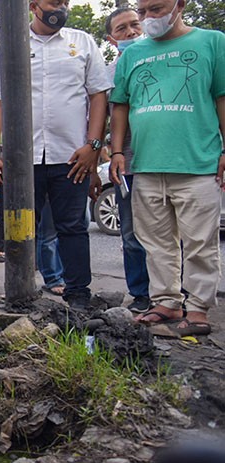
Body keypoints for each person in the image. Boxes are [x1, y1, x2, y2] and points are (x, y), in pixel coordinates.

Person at [0, 0, 112, 310]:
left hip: (72, 157)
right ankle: (20, 293)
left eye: (65, 2)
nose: (61, 7)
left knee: (73, 227)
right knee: (20, 228)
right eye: (55, 2)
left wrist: (94, 147)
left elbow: (98, 96)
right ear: (33, 5)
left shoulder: (82, 42)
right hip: (21, 159)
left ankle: (78, 295)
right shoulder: (11, 45)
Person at [109, 0, 224, 336]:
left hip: (198, 163)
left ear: (180, 4)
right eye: (143, 11)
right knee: (155, 242)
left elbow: (222, 96)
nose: (148, 18)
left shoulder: (212, 42)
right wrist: (117, 151)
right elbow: (120, 105)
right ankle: (166, 302)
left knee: (200, 243)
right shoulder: (132, 54)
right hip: (146, 164)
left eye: (156, 9)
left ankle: (198, 309)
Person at [104, 7, 151, 313]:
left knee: (171, 235)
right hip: (128, 163)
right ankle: (141, 294)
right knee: (132, 235)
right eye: (121, 29)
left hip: (164, 161)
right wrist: (110, 152)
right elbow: (103, 116)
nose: (131, 32)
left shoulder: (160, 59)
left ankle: (177, 295)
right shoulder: (108, 73)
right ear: (111, 39)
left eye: (135, 25)